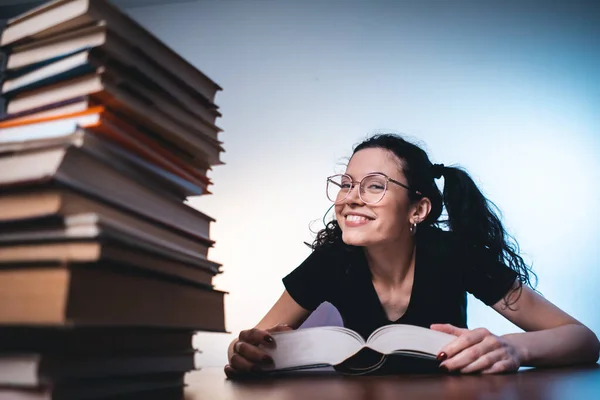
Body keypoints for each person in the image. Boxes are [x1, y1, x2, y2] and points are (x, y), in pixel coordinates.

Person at [225, 134, 599, 378]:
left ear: (418, 210)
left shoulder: (456, 255)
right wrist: (244, 351)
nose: (350, 197)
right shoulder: (331, 260)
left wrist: (513, 348)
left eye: (375, 186)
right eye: (345, 184)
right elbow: (251, 343)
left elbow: (583, 339)